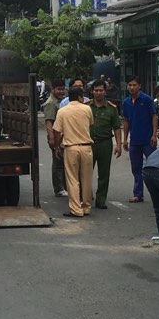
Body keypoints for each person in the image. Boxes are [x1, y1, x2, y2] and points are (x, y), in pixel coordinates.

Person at [53, 86, 95, 217]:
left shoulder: (62, 111)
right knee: (86, 179)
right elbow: (90, 124)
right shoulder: (87, 109)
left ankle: (76, 209)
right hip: (86, 147)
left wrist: (57, 146)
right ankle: (86, 207)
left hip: (71, 148)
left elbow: (57, 131)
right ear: (79, 97)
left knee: (73, 179)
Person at [122, 76, 158, 203]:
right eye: (130, 85)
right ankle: (138, 194)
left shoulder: (147, 100)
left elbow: (154, 116)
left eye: (134, 85)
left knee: (154, 167)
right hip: (135, 141)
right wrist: (125, 139)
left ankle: (158, 193)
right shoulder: (126, 102)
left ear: (139, 86)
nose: (132, 87)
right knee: (136, 169)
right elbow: (126, 121)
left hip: (148, 140)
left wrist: (154, 135)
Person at [88, 80, 122, 210]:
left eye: (101, 90)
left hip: (105, 143)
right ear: (92, 91)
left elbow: (117, 128)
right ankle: (86, 197)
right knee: (86, 172)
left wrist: (119, 145)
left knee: (104, 174)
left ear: (105, 91)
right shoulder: (86, 107)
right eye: (96, 90)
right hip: (89, 143)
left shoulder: (111, 108)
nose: (98, 93)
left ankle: (101, 200)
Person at [43, 79, 67, 197]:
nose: (61, 91)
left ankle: (64, 186)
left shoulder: (62, 101)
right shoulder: (51, 103)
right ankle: (58, 188)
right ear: (53, 89)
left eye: (63, 89)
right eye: (59, 89)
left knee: (63, 162)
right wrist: (52, 139)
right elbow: (49, 122)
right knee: (58, 162)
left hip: (63, 136)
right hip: (55, 137)